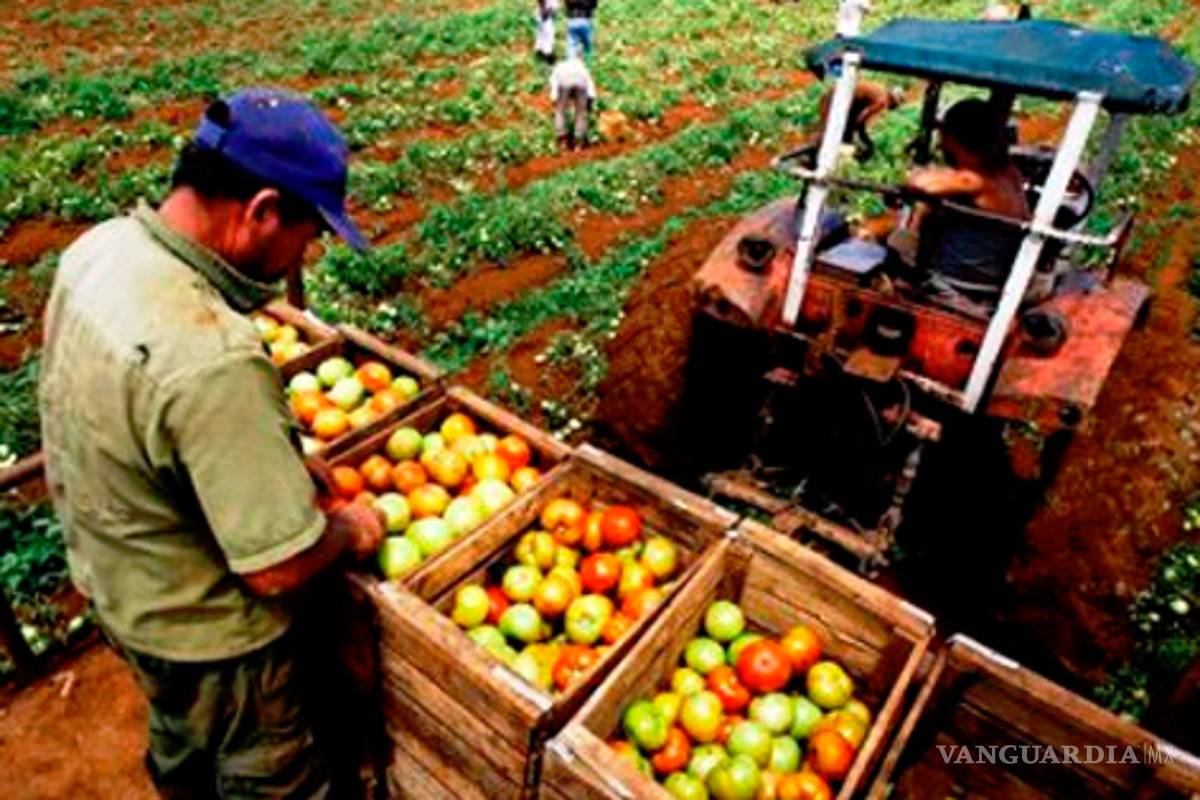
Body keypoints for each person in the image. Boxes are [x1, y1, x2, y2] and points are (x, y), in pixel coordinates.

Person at [39, 88, 385, 799]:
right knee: (271, 778)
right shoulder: (211, 352)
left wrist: (272, 467)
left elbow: (140, 429)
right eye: (309, 232)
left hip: (125, 591)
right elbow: (278, 568)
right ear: (261, 211)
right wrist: (350, 529)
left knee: (181, 749)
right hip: (216, 646)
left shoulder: (98, 250)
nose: (305, 251)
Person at [893, 98, 1031, 308]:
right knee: (927, 211)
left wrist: (926, 172)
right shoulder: (1009, 172)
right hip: (988, 282)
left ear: (951, 137)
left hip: (954, 287)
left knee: (893, 248)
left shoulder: (974, 180)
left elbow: (918, 182)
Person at [551, 55, 597, 150]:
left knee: (560, 111)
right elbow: (589, 81)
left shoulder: (559, 67)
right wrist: (591, 98)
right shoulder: (581, 66)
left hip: (564, 80)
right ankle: (578, 143)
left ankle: (562, 140)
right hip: (580, 81)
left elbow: (554, 81)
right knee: (581, 113)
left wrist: (554, 97)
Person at [534, 0, 558, 64]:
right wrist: (547, 12)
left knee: (541, 37)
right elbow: (551, 9)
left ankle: (540, 56)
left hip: (541, 16)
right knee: (548, 39)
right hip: (545, 17)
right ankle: (549, 61)